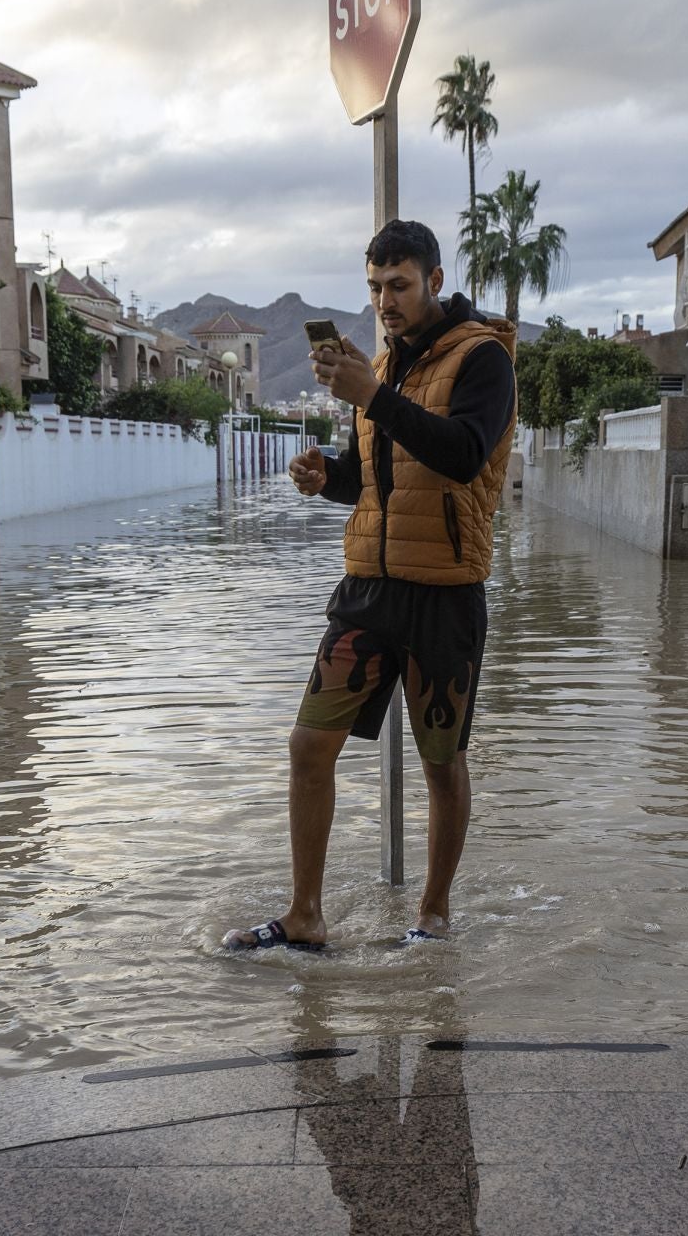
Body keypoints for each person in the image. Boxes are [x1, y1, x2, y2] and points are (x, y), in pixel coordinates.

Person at [223, 218, 516, 953]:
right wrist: (327, 478)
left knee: (441, 762)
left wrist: (372, 395)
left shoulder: (484, 358)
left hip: (446, 590)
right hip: (367, 589)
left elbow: (461, 455)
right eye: (375, 287)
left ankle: (436, 913)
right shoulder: (379, 370)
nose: (386, 300)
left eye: (399, 285)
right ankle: (304, 915)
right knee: (306, 745)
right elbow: (374, 479)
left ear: (434, 283)